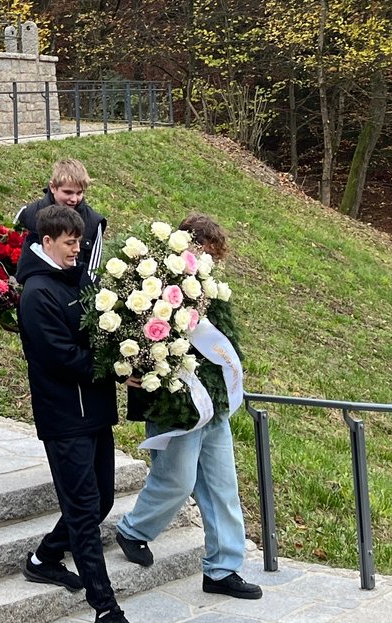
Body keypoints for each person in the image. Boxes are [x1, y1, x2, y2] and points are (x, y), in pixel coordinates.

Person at [113, 213, 260, 602]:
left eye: (214, 255)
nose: (208, 261)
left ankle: (223, 567)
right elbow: (131, 338)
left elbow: (224, 346)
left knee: (223, 487)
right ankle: (134, 530)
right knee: (176, 480)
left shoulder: (213, 294)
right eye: (202, 252)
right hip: (173, 403)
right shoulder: (154, 289)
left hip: (214, 405)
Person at [16, 204, 129, 623]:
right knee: (84, 511)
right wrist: (114, 367)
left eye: (79, 241)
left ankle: (44, 558)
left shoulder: (71, 281)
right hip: (65, 418)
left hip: (94, 411)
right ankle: (105, 606)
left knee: (101, 500)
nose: (78, 249)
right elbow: (59, 357)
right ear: (47, 241)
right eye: (70, 242)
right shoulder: (37, 292)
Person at [16, 158, 108, 275]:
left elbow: (93, 272)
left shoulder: (94, 222)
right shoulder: (27, 213)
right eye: (68, 192)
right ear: (53, 187)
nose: (74, 199)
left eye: (79, 193)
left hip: (70, 290)